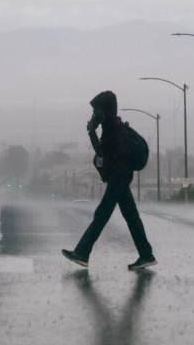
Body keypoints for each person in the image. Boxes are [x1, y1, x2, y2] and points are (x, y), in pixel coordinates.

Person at [62, 90, 157, 270]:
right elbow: (103, 153)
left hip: (119, 179)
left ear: (104, 110)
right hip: (119, 178)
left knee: (101, 216)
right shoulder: (111, 127)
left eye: (96, 111)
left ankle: (82, 253)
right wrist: (92, 132)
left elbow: (104, 155)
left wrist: (92, 131)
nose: (94, 115)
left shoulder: (114, 130)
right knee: (131, 217)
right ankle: (146, 255)